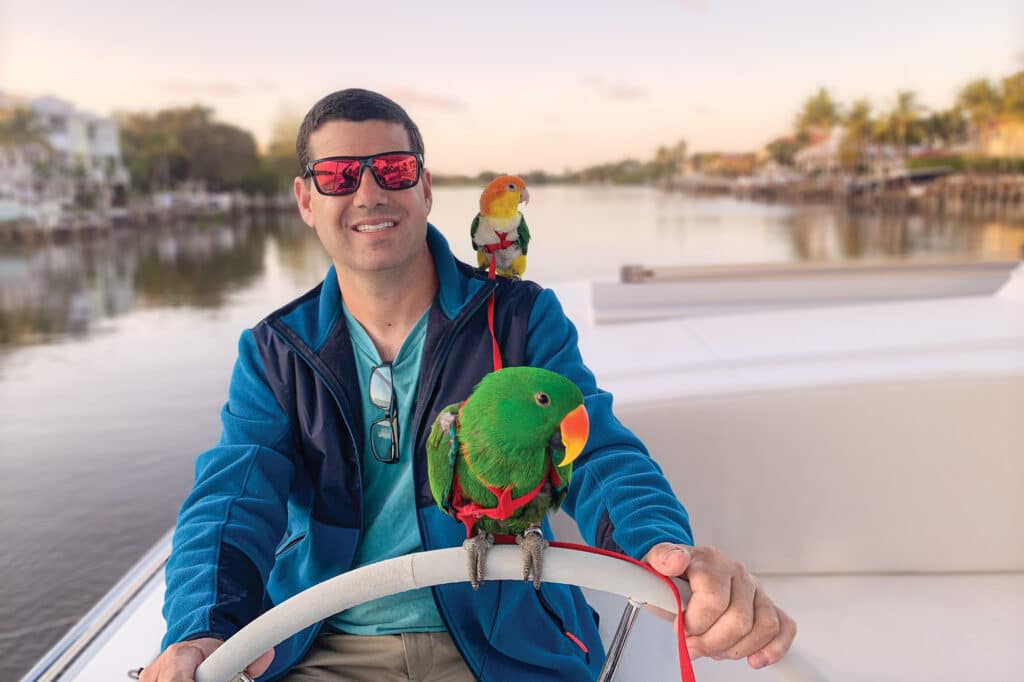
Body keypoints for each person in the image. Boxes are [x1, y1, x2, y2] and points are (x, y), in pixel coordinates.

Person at [141, 88, 796, 682]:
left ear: (424, 188)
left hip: (507, 646)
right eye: (339, 176)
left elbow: (597, 454)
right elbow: (231, 497)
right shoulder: (276, 353)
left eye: (392, 170)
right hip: (324, 647)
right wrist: (201, 626)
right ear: (307, 200)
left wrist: (665, 551)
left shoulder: (519, 319)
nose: (369, 192)